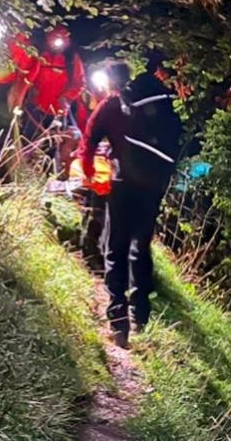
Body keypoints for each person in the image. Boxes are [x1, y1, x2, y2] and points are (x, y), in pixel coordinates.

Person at [80, 60, 183, 348]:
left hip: (123, 184)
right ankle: (140, 314)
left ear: (111, 82)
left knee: (115, 247)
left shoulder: (113, 105)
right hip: (152, 186)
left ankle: (118, 320)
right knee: (141, 247)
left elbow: (89, 141)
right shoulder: (155, 106)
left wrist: (89, 173)